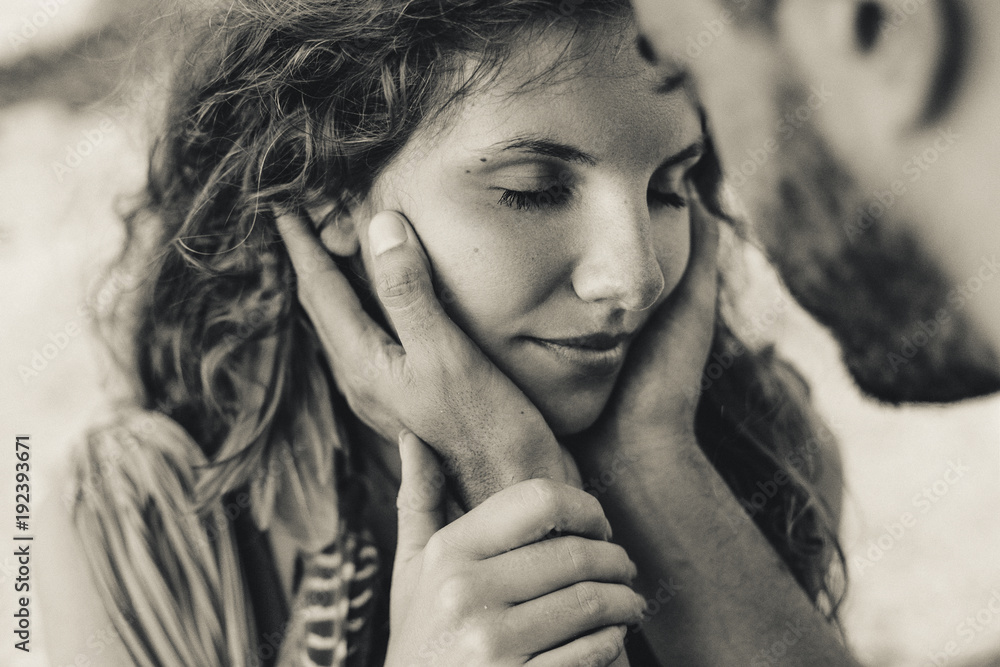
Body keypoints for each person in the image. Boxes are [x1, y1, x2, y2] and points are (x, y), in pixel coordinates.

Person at [37, 1, 847, 666]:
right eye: (532, 190)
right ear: (331, 196)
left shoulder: (758, 439)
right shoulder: (135, 519)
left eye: (669, 188)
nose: (633, 278)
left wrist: (646, 466)